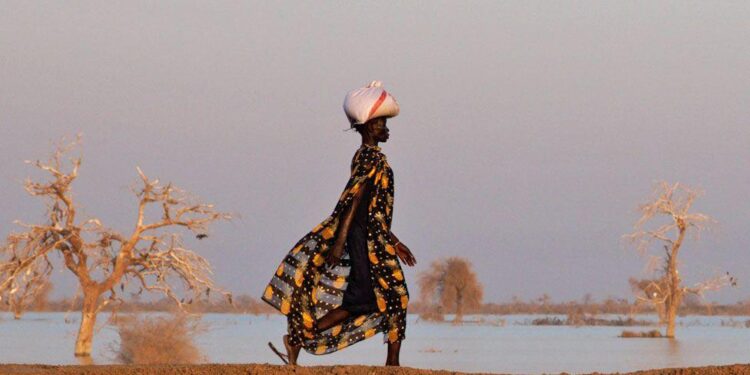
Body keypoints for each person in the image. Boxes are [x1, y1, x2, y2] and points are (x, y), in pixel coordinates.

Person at [262, 81, 416, 366]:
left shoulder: (373, 158)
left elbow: (373, 210)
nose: (386, 128)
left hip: (374, 237)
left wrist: (395, 242)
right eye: (381, 123)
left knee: (366, 300)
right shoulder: (369, 157)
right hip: (365, 239)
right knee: (394, 294)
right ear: (369, 127)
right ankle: (392, 364)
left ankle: (297, 337)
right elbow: (353, 202)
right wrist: (341, 242)